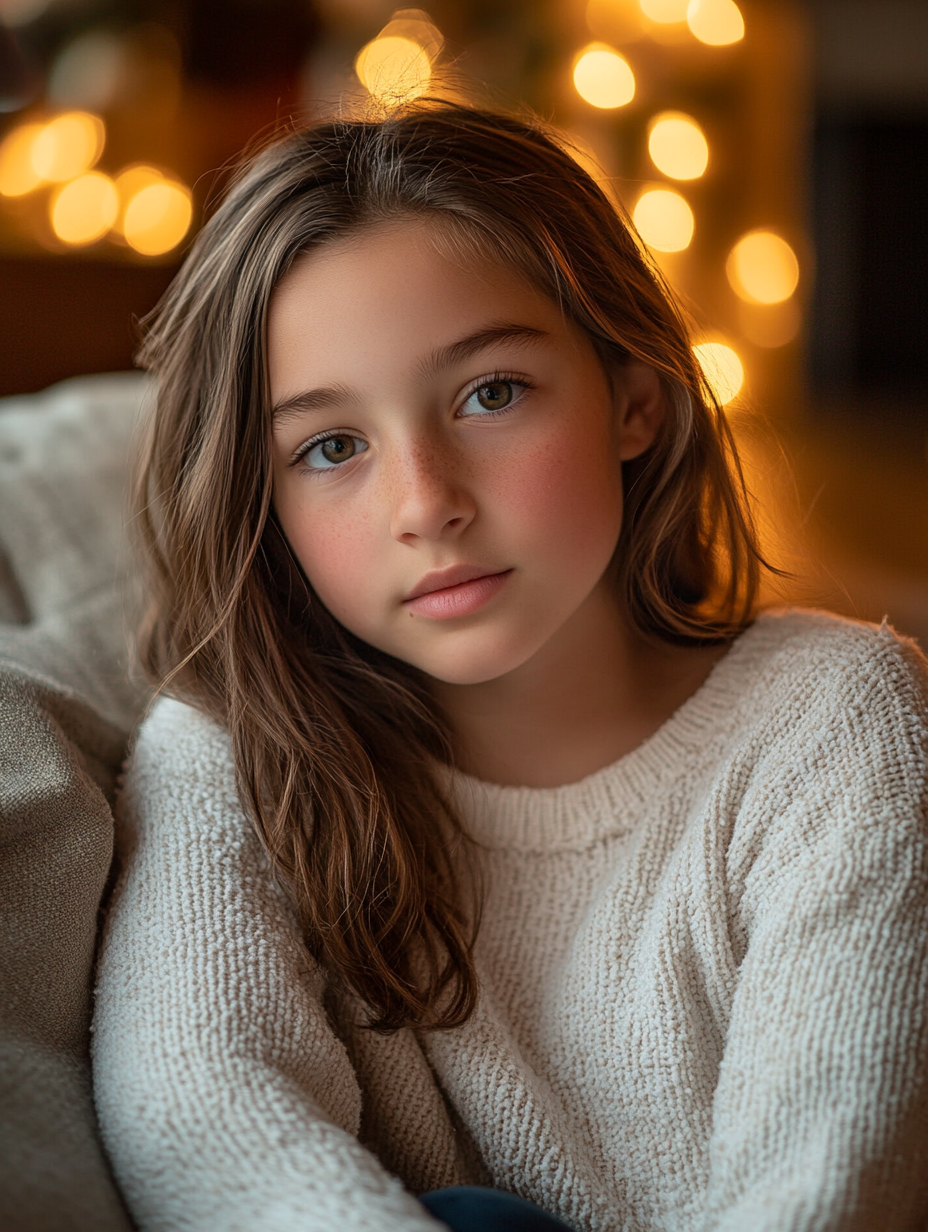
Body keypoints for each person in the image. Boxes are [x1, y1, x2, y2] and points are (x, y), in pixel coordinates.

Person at [91, 100, 928, 1232]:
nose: (426, 502)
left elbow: (836, 1173)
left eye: (491, 392)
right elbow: (205, 1122)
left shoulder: (836, 718)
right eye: (331, 446)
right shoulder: (229, 757)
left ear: (632, 398)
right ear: (260, 499)